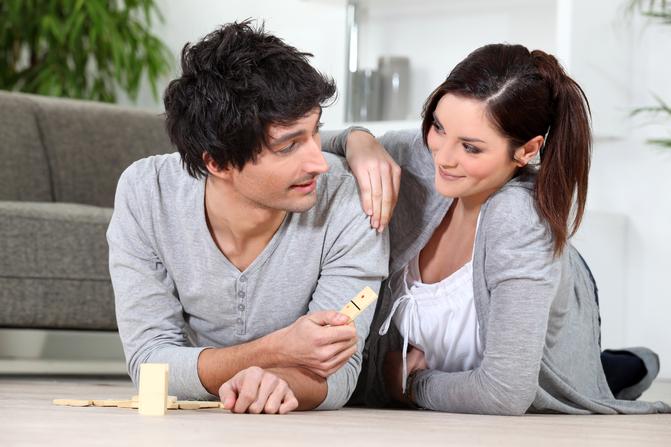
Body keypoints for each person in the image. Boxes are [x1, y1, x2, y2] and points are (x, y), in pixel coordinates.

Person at [322, 43, 670, 414]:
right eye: (439, 126)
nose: (443, 157)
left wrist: (407, 385)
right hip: (473, 334)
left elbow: (504, 393)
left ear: (526, 150)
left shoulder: (520, 220)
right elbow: (303, 141)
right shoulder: (421, 156)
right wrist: (358, 141)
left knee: (582, 379)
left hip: (558, 294)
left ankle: (615, 368)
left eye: (471, 148)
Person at [106, 20, 388, 415]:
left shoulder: (351, 198)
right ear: (217, 162)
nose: (318, 162)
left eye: (316, 132)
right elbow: (150, 363)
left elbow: (339, 371)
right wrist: (275, 351)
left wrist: (280, 382)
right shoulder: (146, 193)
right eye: (289, 146)